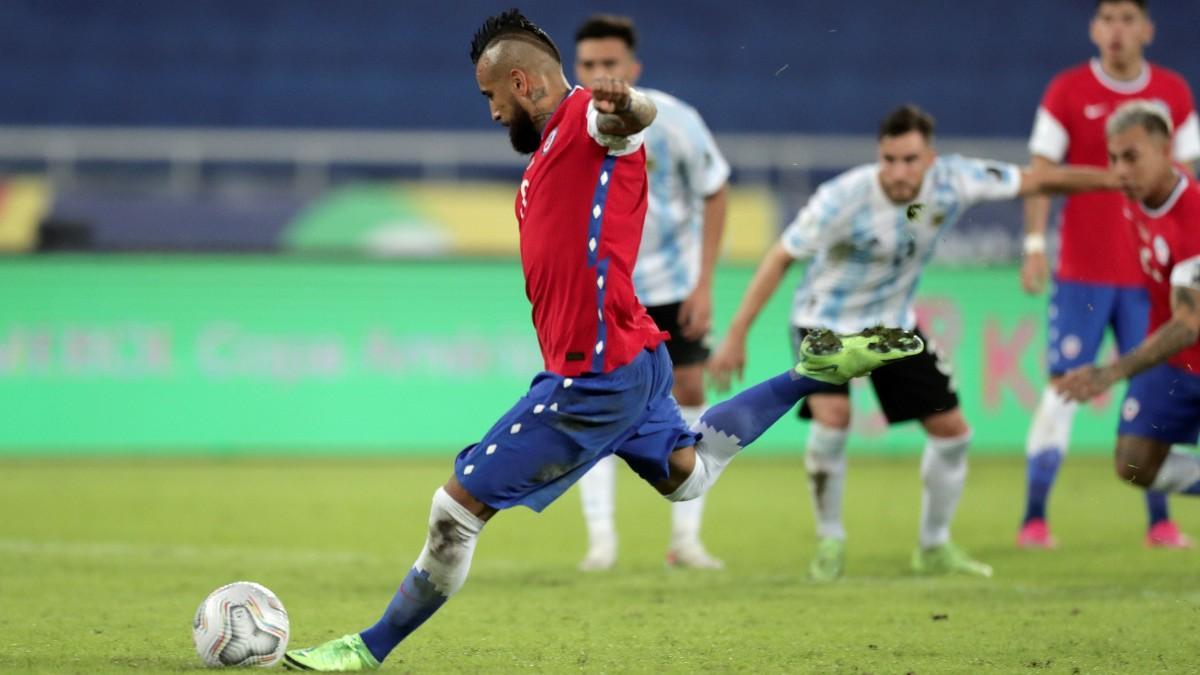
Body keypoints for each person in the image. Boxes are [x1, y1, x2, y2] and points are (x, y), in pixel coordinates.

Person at [280, 10, 922, 671]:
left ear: (522, 82)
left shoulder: (590, 119)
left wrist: (627, 100)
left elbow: (629, 120)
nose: (492, 112)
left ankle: (366, 648)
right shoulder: (548, 152)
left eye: (490, 96)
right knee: (689, 475)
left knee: (454, 508)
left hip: (594, 377)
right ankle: (810, 372)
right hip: (635, 353)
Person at [708, 104, 1120, 582]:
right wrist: (737, 333)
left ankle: (933, 546)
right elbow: (780, 257)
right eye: (889, 159)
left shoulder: (956, 180)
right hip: (823, 322)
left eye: (910, 159)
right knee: (833, 418)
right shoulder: (841, 198)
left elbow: (1037, 181)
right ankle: (830, 539)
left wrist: (1113, 181)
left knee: (954, 432)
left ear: (931, 158)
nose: (899, 171)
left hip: (892, 329)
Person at [1017, 0, 1200, 549]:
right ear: (1094, 29)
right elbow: (1041, 175)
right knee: (1066, 392)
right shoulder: (1067, 89)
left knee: (1146, 378)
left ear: (1146, 28)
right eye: (1107, 18)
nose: (1117, 29)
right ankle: (1034, 517)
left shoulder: (1174, 93)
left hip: (1163, 286)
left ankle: (1160, 523)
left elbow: (1184, 178)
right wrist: (1032, 244)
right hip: (1084, 273)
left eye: (1128, 18)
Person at [572, 13, 731, 571]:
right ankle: (601, 542)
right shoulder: (568, 122)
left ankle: (685, 540)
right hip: (600, 292)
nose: (599, 74)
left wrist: (705, 283)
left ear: (633, 68)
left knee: (689, 390)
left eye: (609, 64)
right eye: (589, 64)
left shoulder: (676, 120)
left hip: (671, 287)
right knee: (595, 405)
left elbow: (715, 191)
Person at [1057, 101, 1200, 513]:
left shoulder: (1191, 216)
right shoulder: (1135, 194)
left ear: (1165, 151)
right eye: (1114, 158)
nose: (1120, 170)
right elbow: (1072, 178)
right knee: (1135, 465)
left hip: (1187, 345)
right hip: (1176, 365)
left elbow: (1190, 323)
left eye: (1131, 157)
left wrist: (1110, 372)